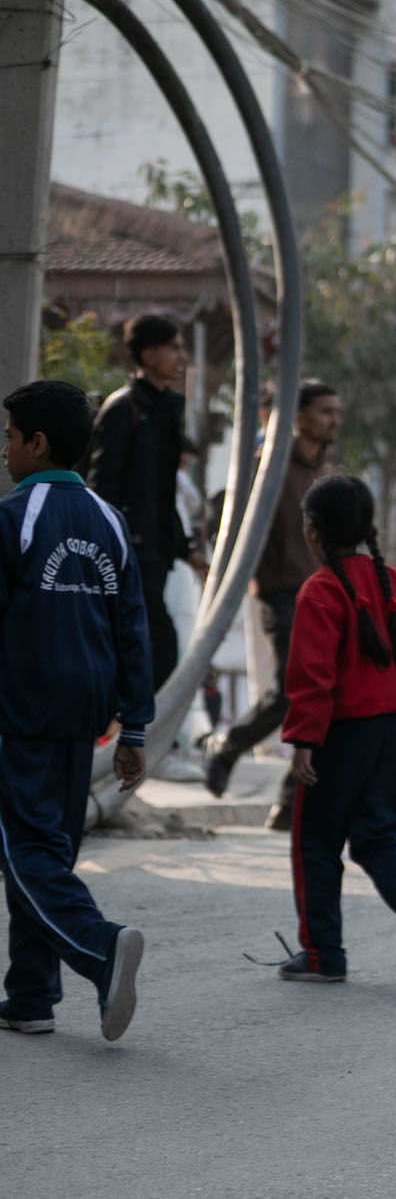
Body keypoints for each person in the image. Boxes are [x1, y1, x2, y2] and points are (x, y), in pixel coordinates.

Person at [0, 381, 151, 1041]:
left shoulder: (14, 517)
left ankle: (100, 947)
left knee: (24, 851)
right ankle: (31, 995)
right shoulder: (109, 520)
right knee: (48, 850)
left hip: (21, 714)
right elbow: (132, 630)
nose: (4, 448)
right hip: (82, 717)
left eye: (8, 436)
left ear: (36, 443)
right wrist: (135, 725)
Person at [277, 474, 396, 984]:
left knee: (315, 840)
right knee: (379, 838)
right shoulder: (392, 584)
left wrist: (304, 739)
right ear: (366, 528)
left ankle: (322, 955)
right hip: (393, 733)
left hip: (340, 735)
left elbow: (312, 674)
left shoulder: (320, 591)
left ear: (313, 533)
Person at [204, 380, 342, 829]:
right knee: (289, 693)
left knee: (326, 698)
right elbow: (225, 519)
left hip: (324, 599)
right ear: (297, 417)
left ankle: (290, 801)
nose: (333, 420)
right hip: (280, 593)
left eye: (335, 412)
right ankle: (229, 748)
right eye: (324, 411)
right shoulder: (268, 470)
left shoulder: (328, 476)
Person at [88, 313, 196, 689]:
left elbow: (163, 490)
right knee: (157, 646)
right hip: (126, 551)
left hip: (156, 551)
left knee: (152, 647)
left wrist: (184, 547)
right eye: (173, 348)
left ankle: (126, 731)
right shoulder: (123, 409)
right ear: (148, 354)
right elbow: (104, 485)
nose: (180, 357)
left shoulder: (168, 409)